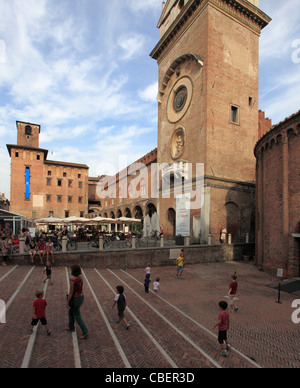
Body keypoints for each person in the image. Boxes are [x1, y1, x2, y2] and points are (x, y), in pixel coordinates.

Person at [66, 265, 89, 339]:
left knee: (77, 315)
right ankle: (71, 327)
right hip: (81, 296)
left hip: (75, 299)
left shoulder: (72, 280)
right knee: (70, 312)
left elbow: (71, 292)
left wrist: (67, 302)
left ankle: (85, 331)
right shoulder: (80, 278)